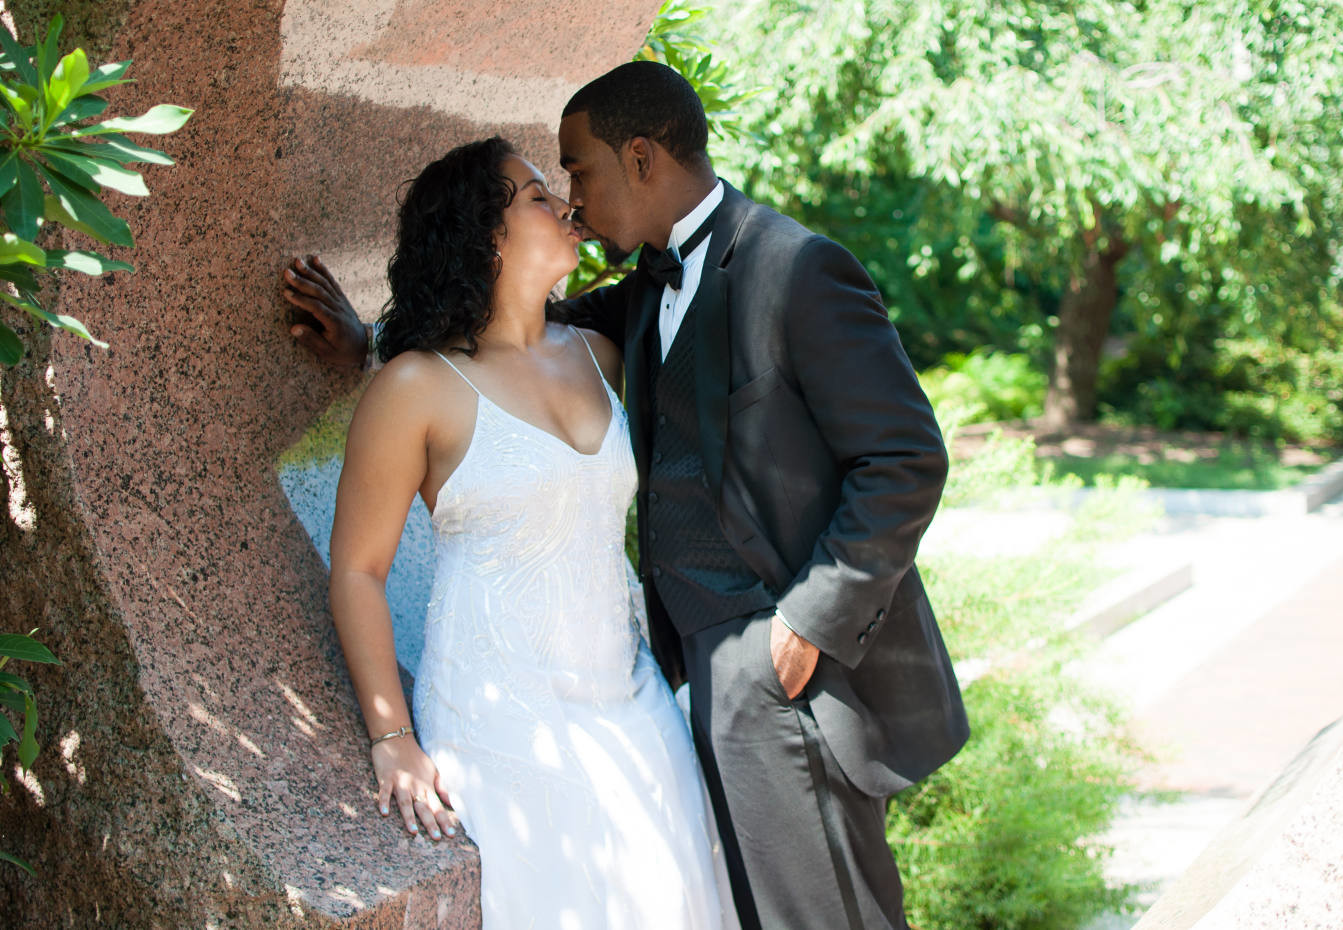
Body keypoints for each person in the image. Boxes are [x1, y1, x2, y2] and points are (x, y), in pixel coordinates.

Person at [287, 62, 968, 930]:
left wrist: (809, 620)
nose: (570, 200)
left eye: (575, 172)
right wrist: (368, 344)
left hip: (761, 664)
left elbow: (905, 456)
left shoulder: (788, 273)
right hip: (601, 696)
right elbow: (483, 348)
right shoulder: (629, 305)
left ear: (641, 158)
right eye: (548, 187)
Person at [315, 136, 738, 929]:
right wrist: (391, 737)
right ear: (484, 233)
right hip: (500, 718)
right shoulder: (413, 387)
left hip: (634, 701)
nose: (566, 207)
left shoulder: (605, 353)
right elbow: (358, 570)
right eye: (537, 196)